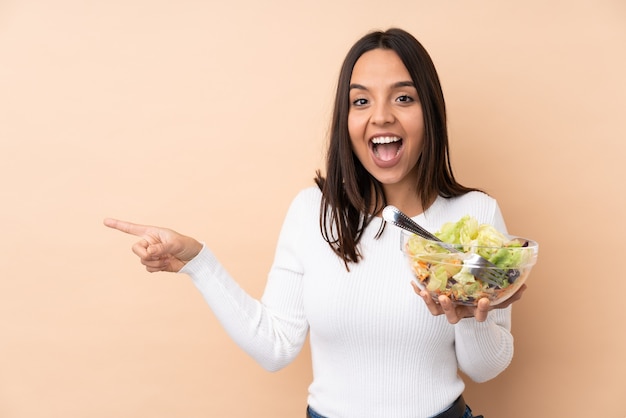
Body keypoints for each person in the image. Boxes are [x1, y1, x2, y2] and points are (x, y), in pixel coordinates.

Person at [104, 28, 525, 418]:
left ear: (429, 112)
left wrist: (471, 314)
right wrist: (199, 261)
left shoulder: (475, 215)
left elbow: (485, 369)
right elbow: (275, 347)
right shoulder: (312, 212)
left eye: (403, 98)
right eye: (361, 101)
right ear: (346, 120)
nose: (380, 117)